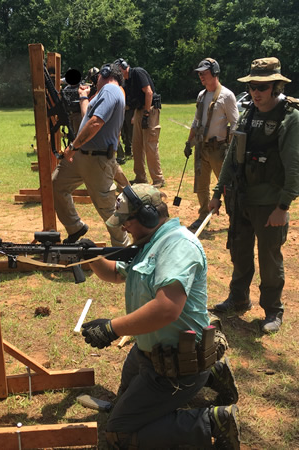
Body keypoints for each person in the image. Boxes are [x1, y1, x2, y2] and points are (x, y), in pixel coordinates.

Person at [80, 184, 241, 449]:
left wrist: (112, 328)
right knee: (122, 402)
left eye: (126, 221)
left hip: (178, 364)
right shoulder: (148, 242)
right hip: (153, 352)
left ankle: (211, 422)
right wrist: (92, 256)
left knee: (119, 433)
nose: (122, 228)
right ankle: (214, 372)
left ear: (148, 217)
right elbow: (116, 273)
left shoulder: (177, 246)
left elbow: (167, 308)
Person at [209, 57, 299, 334]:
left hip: (269, 203)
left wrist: (283, 206)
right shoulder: (248, 113)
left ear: (276, 86)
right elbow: (232, 156)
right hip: (241, 198)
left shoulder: (291, 118)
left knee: (269, 258)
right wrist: (218, 192)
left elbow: (296, 167)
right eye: (253, 86)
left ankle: (273, 310)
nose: (256, 92)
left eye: (262, 87)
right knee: (239, 252)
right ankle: (239, 297)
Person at [52, 63, 130, 246]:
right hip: (84, 155)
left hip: (97, 158)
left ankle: (124, 248)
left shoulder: (110, 89)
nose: (95, 82)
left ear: (105, 74)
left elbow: (95, 123)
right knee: (57, 185)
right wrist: (84, 97)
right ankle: (75, 227)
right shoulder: (105, 93)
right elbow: (88, 116)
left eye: (97, 79)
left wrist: (72, 146)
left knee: (108, 209)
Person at [184, 58, 239, 232]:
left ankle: (235, 217)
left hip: (218, 148)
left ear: (214, 73)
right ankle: (202, 217)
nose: (201, 76)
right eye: (199, 74)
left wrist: (231, 149)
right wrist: (189, 142)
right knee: (201, 185)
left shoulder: (227, 96)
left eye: (204, 73)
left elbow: (235, 123)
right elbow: (196, 122)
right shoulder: (201, 95)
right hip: (202, 147)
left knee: (225, 185)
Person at [115, 58, 165, 188]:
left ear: (124, 67)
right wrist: (136, 116)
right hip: (138, 111)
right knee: (136, 146)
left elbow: (149, 92)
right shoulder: (125, 82)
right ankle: (140, 177)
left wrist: (146, 113)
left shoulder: (137, 73)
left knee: (150, 145)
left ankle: (158, 179)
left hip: (150, 109)